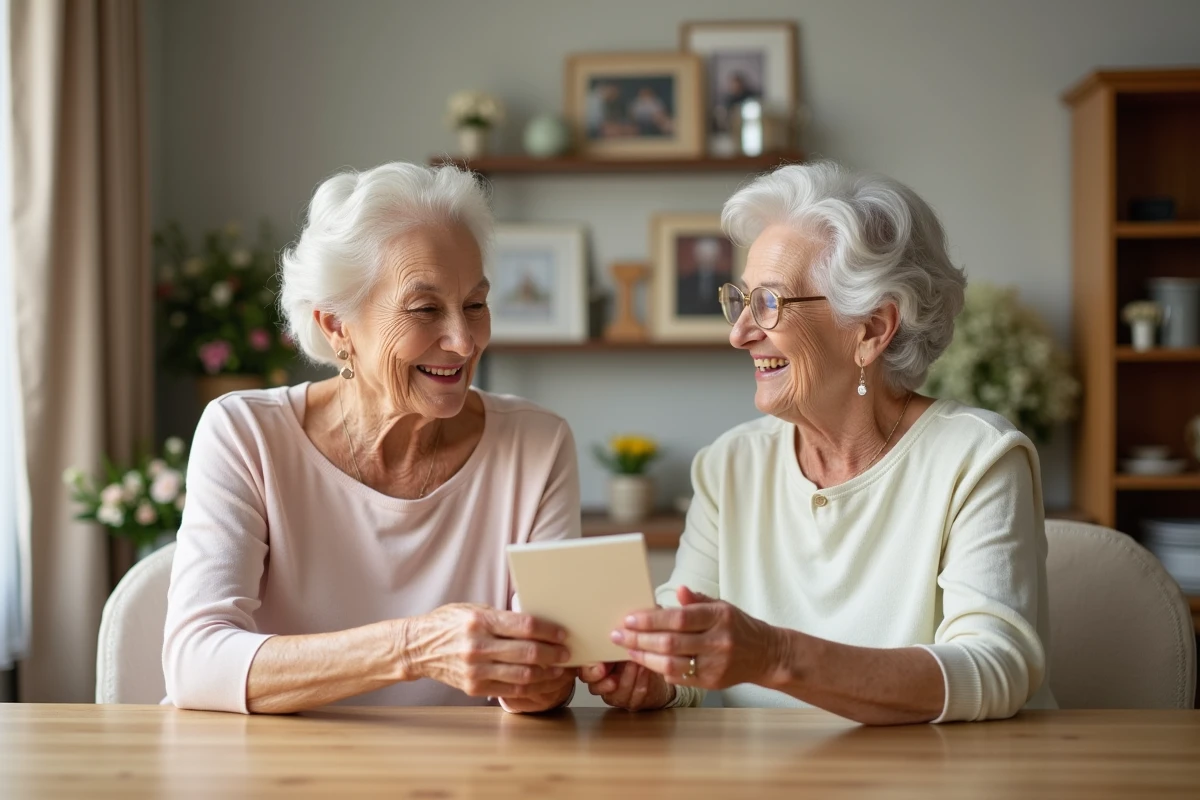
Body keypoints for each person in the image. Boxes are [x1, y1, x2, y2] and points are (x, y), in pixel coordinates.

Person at [581, 162, 1056, 724]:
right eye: (742, 300)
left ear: (873, 329)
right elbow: (688, 640)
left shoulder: (977, 459)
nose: (739, 334)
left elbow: (994, 668)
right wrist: (654, 672)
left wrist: (776, 655)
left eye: (770, 304)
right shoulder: (731, 465)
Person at [163, 163, 581, 715]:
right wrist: (414, 648)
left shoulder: (537, 445)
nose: (462, 341)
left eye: (475, 305)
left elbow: (545, 681)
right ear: (336, 324)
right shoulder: (246, 434)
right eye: (425, 309)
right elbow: (196, 663)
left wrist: (546, 677)